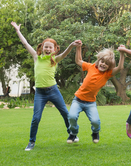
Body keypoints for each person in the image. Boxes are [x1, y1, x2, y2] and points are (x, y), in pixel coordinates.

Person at [11, 21, 81, 151]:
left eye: (51, 47)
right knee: (36, 118)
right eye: (46, 47)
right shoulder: (36, 57)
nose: (48, 49)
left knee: (65, 113)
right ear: (42, 47)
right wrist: (18, 31)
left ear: (54, 49)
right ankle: (31, 142)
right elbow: (25, 43)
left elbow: (65, 54)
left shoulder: (55, 59)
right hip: (40, 93)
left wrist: (71, 45)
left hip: (53, 90)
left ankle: (72, 133)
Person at [67, 44, 124, 144]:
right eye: (102, 62)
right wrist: (78, 47)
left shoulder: (107, 74)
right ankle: (73, 133)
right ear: (98, 61)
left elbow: (120, 68)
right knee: (71, 117)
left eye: (106, 64)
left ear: (109, 66)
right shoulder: (91, 67)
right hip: (78, 100)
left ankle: (95, 132)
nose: (103, 64)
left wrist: (122, 53)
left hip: (90, 103)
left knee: (95, 122)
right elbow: (78, 61)